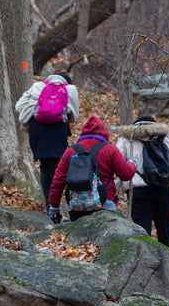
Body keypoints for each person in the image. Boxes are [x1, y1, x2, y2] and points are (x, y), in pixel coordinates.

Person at [115, 112, 169, 248]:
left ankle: (144, 264)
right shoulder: (168, 137)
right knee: (164, 232)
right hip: (162, 190)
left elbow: (117, 168)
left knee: (142, 233)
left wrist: (114, 194)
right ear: (154, 120)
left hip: (137, 192)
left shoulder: (127, 138)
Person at [48, 115, 137, 223]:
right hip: (105, 203)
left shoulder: (71, 151)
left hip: (77, 204)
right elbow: (126, 174)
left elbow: (58, 180)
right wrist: (133, 164)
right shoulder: (110, 150)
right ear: (104, 134)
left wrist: (54, 206)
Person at [15, 73, 79, 213]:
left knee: (44, 167)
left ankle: (48, 205)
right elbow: (74, 117)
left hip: (38, 130)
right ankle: (64, 205)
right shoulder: (70, 89)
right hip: (58, 130)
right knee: (61, 168)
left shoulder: (37, 86)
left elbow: (18, 106)